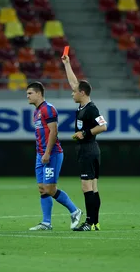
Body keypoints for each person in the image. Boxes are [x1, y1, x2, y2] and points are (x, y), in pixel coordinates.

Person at [26, 82, 82, 231]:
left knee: (50, 189)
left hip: (52, 154)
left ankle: (75, 210)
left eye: (30, 93)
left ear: (39, 93)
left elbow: (54, 132)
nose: (27, 96)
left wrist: (47, 153)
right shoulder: (36, 111)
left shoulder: (48, 109)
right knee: (42, 188)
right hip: (41, 154)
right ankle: (46, 222)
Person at [62, 55, 107, 231]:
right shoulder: (83, 106)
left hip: (88, 150)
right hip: (90, 150)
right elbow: (74, 83)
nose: (72, 92)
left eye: (74, 92)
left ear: (82, 93)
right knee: (93, 187)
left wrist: (85, 133)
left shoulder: (91, 108)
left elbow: (103, 126)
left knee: (87, 186)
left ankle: (89, 222)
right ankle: (95, 223)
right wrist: (67, 64)